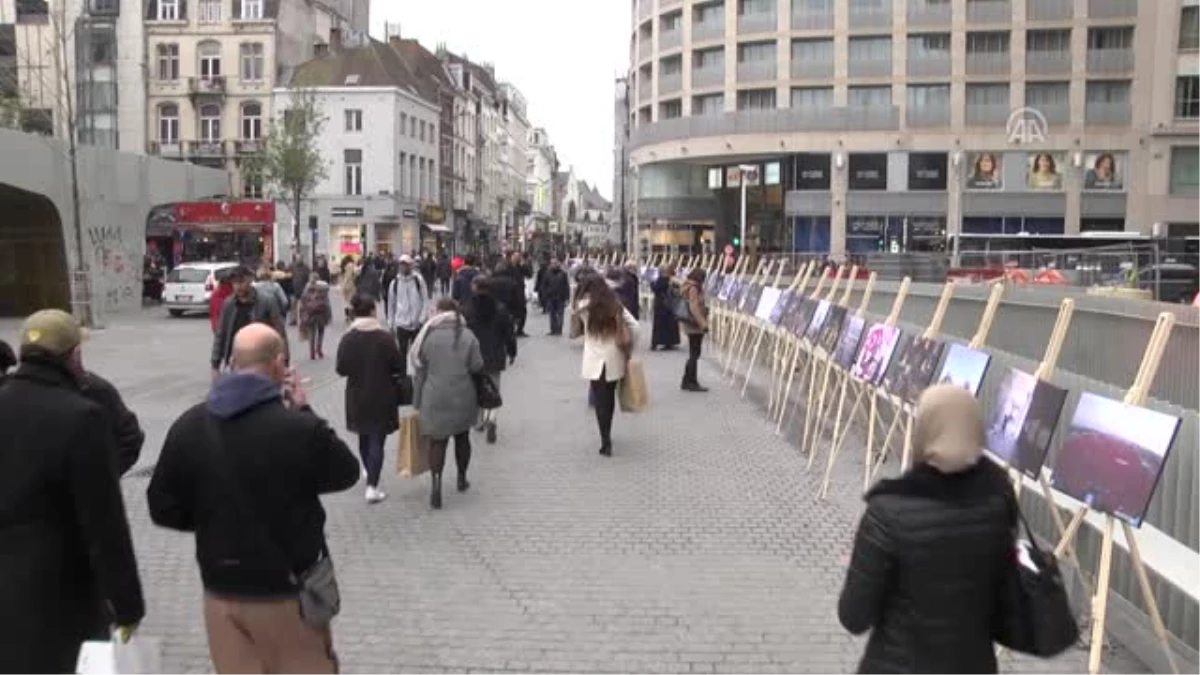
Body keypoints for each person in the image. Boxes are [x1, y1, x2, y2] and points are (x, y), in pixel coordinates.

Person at [148, 324, 359, 675]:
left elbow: (162, 506)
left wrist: (212, 519)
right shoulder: (298, 429)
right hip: (287, 591)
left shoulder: (189, 424)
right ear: (279, 363)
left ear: (232, 362)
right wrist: (304, 410)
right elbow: (346, 473)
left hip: (221, 591)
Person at [0, 310, 145, 674]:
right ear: (73, 355)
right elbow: (105, 523)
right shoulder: (81, 417)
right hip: (62, 590)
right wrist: (128, 605)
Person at [838, 384, 1017, 675]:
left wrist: (866, 567)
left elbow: (854, 616)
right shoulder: (998, 504)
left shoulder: (888, 510)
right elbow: (1003, 604)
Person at [410, 298, 484, 510]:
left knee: (438, 442)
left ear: (440, 313)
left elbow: (420, 370)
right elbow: (477, 365)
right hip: (463, 394)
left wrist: (417, 401)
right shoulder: (468, 335)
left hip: (434, 396)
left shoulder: (427, 337)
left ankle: (436, 485)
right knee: (462, 438)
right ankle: (461, 478)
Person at [336, 294, 406, 503]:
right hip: (382, 394)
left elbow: (341, 369)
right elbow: (398, 366)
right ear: (373, 312)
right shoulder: (384, 338)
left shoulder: (348, 338)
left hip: (357, 394)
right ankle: (372, 486)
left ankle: (368, 470)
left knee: (364, 436)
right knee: (377, 439)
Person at [571, 276, 638, 457]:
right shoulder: (615, 305)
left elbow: (574, 320)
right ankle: (608, 432)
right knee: (609, 398)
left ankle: (605, 440)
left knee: (599, 399)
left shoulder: (584, 306)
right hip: (614, 357)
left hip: (593, 359)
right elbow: (636, 326)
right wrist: (630, 348)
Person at [464, 277, 517, 444]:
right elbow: (509, 334)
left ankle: (479, 421)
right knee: (494, 389)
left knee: (474, 389)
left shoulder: (467, 309)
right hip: (495, 355)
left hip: (473, 356)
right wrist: (512, 351)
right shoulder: (500, 309)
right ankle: (492, 418)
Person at [212, 265, 287, 378]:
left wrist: (284, 361)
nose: (238, 286)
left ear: (250, 279)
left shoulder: (266, 301)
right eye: (234, 283)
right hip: (234, 364)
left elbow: (280, 332)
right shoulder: (229, 304)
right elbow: (221, 334)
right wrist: (215, 364)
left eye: (241, 282)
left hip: (261, 363)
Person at [386, 254, 428, 376]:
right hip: (401, 324)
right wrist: (391, 323)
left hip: (417, 324)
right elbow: (391, 305)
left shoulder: (418, 281)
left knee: (417, 352)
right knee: (402, 353)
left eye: (406, 265)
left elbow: (425, 300)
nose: (403, 267)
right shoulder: (394, 283)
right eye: (401, 264)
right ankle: (403, 379)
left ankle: (418, 375)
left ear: (411, 266)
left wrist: (422, 318)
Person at [679, 268, 710, 392]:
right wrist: (703, 323)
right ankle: (691, 381)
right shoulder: (693, 288)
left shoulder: (688, 285)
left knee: (694, 353)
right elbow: (694, 307)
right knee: (694, 353)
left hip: (691, 323)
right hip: (694, 325)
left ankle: (687, 380)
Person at [298, 272, 333, 360]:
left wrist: (302, 313)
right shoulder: (324, 288)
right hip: (321, 312)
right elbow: (327, 302)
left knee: (311, 333)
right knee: (321, 331)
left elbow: (303, 301)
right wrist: (329, 314)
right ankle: (319, 349)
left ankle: (312, 353)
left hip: (310, 313)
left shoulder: (306, 289)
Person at [650, 265, 681, 351]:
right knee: (670, 324)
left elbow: (656, 289)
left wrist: (652, 284)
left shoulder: (661, 280)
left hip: (661, 304)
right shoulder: (673, 280)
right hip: (671, 304)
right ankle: (669, 342)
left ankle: (656, 342)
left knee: (660, 324)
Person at [541, 257, 571, 336]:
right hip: (550, 297)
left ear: (558, 263)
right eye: (552, 263)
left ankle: (559, 329)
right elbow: (544, 285)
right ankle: (553, 329)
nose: (553, 265)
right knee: (552, 314)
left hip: (560, 297)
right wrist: (544, 296)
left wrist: (567, 298)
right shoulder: (547, 273)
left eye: (555, 263)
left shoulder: (563, 273)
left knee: (560, 314)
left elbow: (566, 286)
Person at [209, 269, 234, 333]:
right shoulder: (232, 293)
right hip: (225, 327)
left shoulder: (216, 293)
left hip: (218, 326)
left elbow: (212, 311)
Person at [339, 256, 359, 323]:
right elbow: (349, 275)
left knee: (346, 301)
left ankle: (347, 316)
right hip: (350, 285)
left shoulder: (344, 266)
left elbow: (344, 276)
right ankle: (351, 316)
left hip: (345, 286)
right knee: (351, 301)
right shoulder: (351, 265)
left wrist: (343, 285)